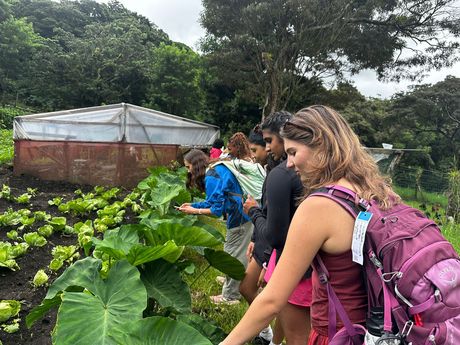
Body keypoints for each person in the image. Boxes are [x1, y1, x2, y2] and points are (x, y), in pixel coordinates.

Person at [220, 105, 393, 345]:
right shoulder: (376, 190)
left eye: (293, 152)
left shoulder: (320, 205)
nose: (288, 163)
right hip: (375, 330)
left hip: (337, 334)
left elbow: (271, 301)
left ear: (320, 146)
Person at [242, 111, 312, 345]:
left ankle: (270, 337)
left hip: (291, 262)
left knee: (297, 335)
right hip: (312, 264)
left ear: (286, 136)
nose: (267, 147)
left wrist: (253, 212)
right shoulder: (313, 174)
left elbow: (275, 235)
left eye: (270, 140)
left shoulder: (282, 175)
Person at [179, 137, 254, 305]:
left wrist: (195, 211)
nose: (188, 172)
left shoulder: (211, 176)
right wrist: (193, 205)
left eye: (188, 167)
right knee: (237, 252)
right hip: (241, 213)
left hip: (241, 216)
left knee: (233, 254)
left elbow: (216, 210)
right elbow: (213, 201)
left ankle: (230, 296)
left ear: (196, 164)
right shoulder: (213, 170)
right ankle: (234, 281)